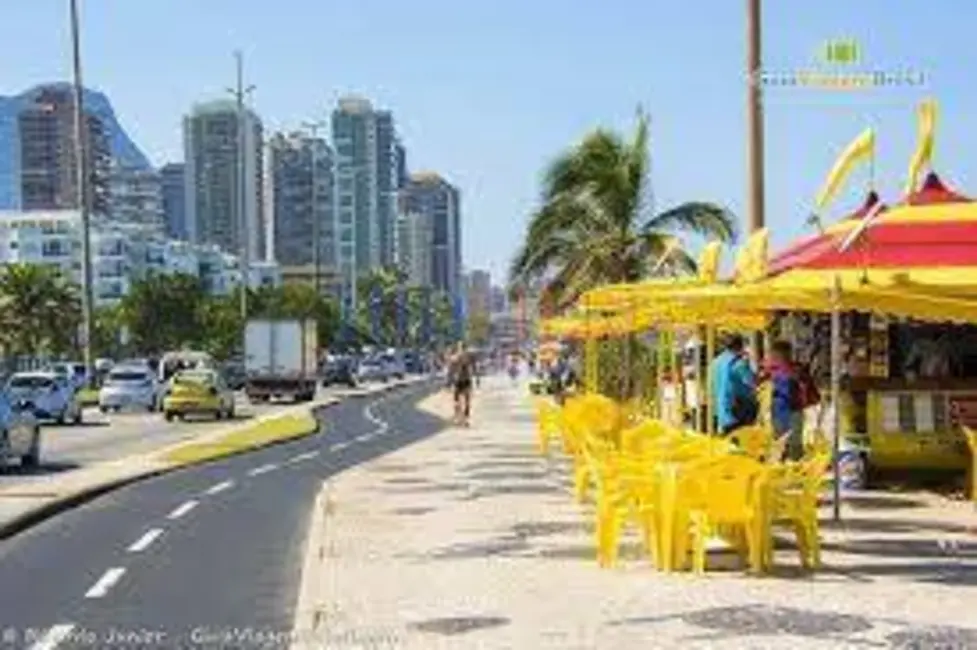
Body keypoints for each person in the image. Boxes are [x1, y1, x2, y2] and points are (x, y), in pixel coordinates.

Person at [761, 340, 807, 460]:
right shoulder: (772, 369)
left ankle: (790, 465)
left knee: (789, 442)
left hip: (788, 410)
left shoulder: (793, 369)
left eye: (775, 354)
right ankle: (789, 465)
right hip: (783, 410)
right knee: (787, 442)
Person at [710, 333, 757, 435]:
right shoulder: (738, 363)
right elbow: (752, 382)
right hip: (737, 410)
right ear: (739, 346)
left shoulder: (715, 362)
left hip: (719, 409)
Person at [448, 343, 475, 426]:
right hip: (465, 380)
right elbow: (473, 368)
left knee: (458, 400)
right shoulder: (469, 357)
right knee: (466, 400)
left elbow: (451, 371)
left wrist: (449, 381)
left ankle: (459, 417)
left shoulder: (455, 358)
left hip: (460, 380)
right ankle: (464, 418)